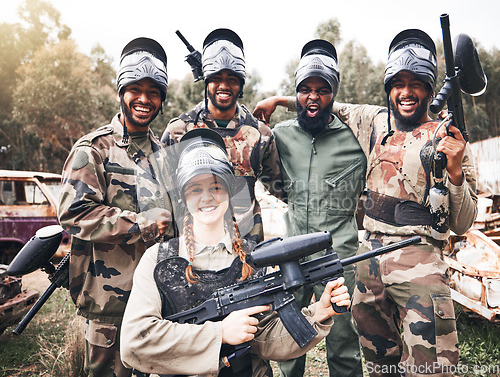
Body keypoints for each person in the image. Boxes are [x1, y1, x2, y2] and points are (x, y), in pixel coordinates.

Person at [254, 29, 477, 377]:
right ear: (388, 87)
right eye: (398, 83)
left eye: (416, 82)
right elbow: (322, 100)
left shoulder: (449, 139)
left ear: (431, 88)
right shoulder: (372, 121)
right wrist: (279, 100)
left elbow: (463, 222)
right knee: (378, 364)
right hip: (368, 265)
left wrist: (456, 171)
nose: (406, 92)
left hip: (419, 263)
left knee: (431, 367)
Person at [120, 128, 351, 376]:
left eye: (216, 187)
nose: (207, 197)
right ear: (183, 197)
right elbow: (134, 342)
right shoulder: (158, 260)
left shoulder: (254, 258)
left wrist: (319, 313)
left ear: (230, 193)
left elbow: (267, 338)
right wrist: (219, 334)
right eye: (195, 189)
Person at [58, 37, 175, 377]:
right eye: (135, 89)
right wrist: (139, 224)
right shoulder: (95, 149)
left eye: (153, 92)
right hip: (110, 305)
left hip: (157, 299)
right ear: (122, 91)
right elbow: (73, 213)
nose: (144, 99)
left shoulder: (164, 153)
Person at [258, 40, 366, 377]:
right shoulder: (280, 135)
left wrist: (281, 100)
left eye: (323, 90)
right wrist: (280, 102)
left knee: (343, 344)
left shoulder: (357, 137)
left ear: (334, 93)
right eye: (304, 90)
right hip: (291, 254)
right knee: (290, 337)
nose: (313, 97)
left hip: (338, 257)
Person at [161, 28, 282, 243]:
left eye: (232, 79)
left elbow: (282, 189)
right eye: (216, 78)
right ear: (205, 80)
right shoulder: (178, 132)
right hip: (194, 248)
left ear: (241, 84)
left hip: (247, 248)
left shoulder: (261, 134)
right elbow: (163, 198)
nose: (224, 85)